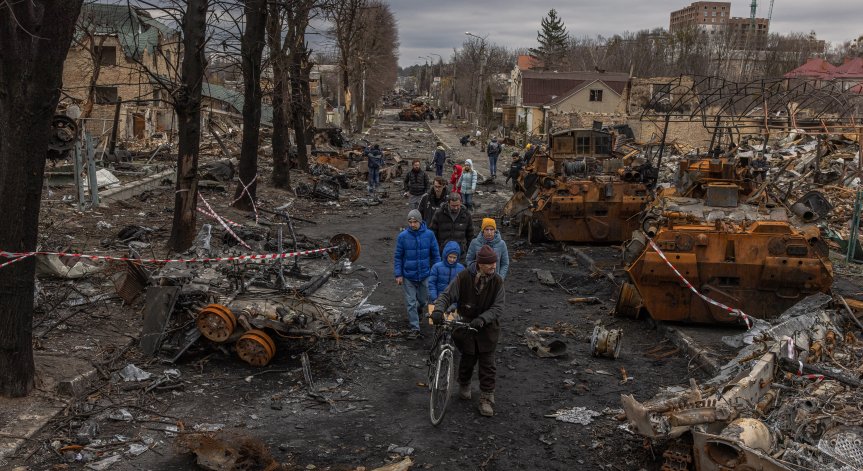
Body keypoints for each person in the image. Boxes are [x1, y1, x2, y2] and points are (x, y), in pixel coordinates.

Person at [431, 244, 504, 417]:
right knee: (467, 359)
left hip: (487, 330)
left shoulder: (497, 281)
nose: (493, 266)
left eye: (494, 263)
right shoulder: (463, 277)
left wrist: (483, 319)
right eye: (489, 264)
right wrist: (438, 310)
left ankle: (486, 399)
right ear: (480, 264)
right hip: (466, 328)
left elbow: (498, 307)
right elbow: (447, 295)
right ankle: (464, 383)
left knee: (488, 365)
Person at [394, 209, 441, 338]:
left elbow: (435, 255)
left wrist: (437, 272)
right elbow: (398, 256)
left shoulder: (429, 235)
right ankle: (415, 328)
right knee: (410, 302)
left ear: (420, 221)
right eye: (410, 222)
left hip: (425, 274)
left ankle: (419, 309)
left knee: (422, 301)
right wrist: (398, 274)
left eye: (415, 221)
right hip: (408, 275)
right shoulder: (402, 237)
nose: (412, 224)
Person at [428, 240, 465, 305]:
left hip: (453, 301)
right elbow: (431, 283)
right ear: (445, 255)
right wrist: (434, 298)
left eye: (454, 257)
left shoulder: (461, 268)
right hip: (438, 300)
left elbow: (462, 287)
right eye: (450, 257)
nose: (452, 260)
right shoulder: (436, 267)